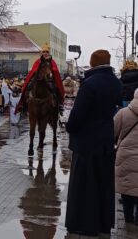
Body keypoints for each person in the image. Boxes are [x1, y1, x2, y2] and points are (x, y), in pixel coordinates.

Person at [65, 50, 122, 237]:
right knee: (103, 184)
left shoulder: (90, 84)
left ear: (93, 63)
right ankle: (103, 224)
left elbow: (77, 115)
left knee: (84, 185)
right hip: (106, 140)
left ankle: (84, 224)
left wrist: (70, 127)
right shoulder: (115, 83)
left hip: (86, 143)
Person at [16, 43, 65, 114]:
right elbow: (33, 70)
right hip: (37, 79)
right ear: (41, 53)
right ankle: (23, 105)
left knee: (55, 89)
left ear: (49, 53)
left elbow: (55, 70)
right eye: (44, 52)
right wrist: (36, 71)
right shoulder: (38, 61)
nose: (45, 53)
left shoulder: (52, 61)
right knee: (28, 87)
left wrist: (52, 71)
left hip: (48, 80)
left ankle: (59, 104)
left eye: (47, 52)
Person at [114, 88, 138, 225]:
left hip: (125, 156)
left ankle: (128, 217)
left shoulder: (123, 113)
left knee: (127, 186)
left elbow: (113, 131)